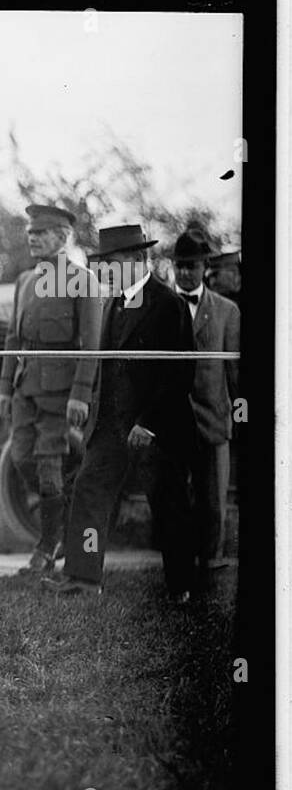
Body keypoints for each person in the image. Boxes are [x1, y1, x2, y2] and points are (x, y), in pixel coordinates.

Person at [43, 225, 197, 602]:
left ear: (137, 260)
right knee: (89, 491)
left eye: (110, 264)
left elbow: (180, 374)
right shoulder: (111, 303)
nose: (103, 272)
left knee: (168, 506)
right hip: (111, 427)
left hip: (155, 429)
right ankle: (83, 578)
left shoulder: (167, 304)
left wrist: (149, 423)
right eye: (101, 265)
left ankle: (182, 589)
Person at [0, 204, 104, 574]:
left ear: (62, 237)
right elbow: (13, 337)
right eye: (30, 231)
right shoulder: (25, 282)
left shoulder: (82, 279)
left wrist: (80, 393)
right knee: (21, 457)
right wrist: (5, 388)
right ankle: (61, 517)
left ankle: (47, 545)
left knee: (47, 461)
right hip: (26, 389)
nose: (32, 237)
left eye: (41, 232)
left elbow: (92, 345)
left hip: (61, 392)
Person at [172, 224, 240, 589]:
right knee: (178, 500)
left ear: (204, 269)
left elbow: (236, 373)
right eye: (179, 266)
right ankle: (180, 566)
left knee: (213, 501)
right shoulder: (162, 306)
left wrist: (240, 418)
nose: (185, 273)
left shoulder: (227, 311)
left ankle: (211, 563)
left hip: (214, 419)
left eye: (191, 266)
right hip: (174, 421)